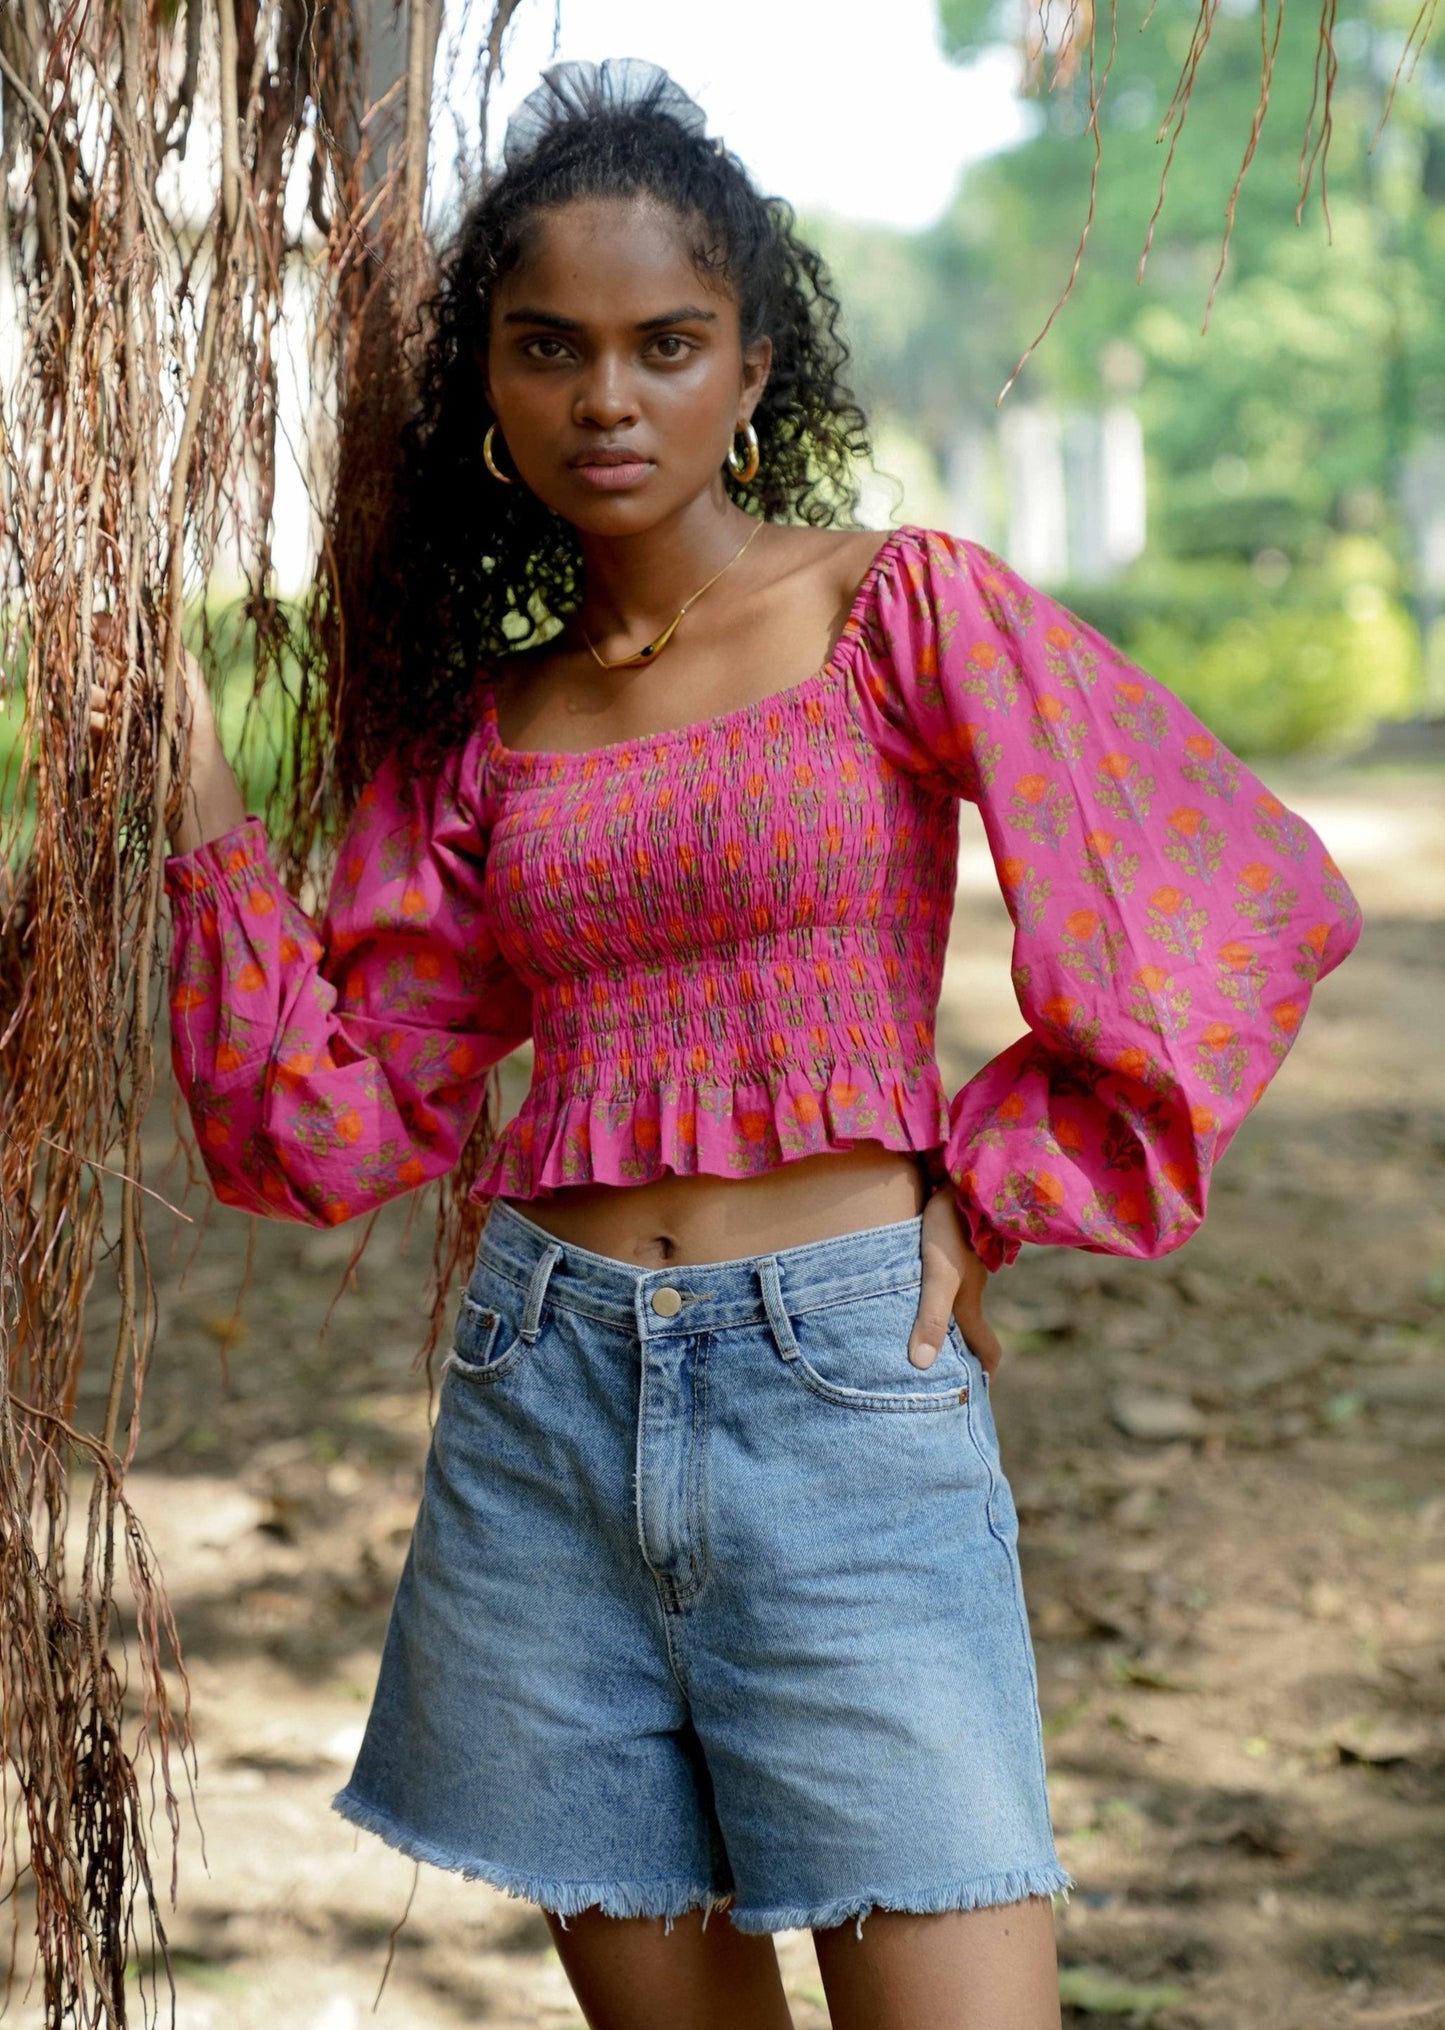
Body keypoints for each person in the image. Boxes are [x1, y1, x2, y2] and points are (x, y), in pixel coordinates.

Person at [147, 59, 1363, 2030]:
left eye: (664, 344)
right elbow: (338, 1126)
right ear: (491, 383)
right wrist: (193, 801)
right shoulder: (486, 734)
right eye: (549, 350)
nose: (605, 398)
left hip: (844, 1406)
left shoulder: (896, 611)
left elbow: (1232, 897)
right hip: (541, 1412)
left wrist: (995, 1180)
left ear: (753, 367)